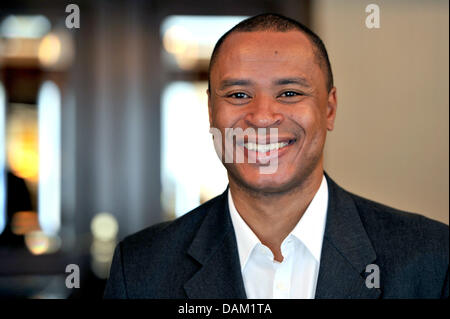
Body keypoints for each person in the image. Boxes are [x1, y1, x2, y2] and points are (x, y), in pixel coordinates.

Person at [104, 13, 448, 299]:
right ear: (211, 111)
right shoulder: (140, 270)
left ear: (329, 109)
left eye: (289, 93)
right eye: (239, 94)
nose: (263, 116)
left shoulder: (433, 259)